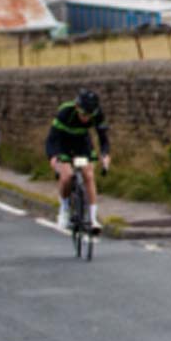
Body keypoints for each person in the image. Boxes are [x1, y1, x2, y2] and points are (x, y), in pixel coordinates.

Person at [47, 88, 112, 233]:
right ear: (77, 107)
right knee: (67, 176)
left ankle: (93, 219)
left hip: (82, 145)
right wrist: (53, 157)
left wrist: (105, 154)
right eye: (83, 114)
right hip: (63, 145)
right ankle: (64, 208)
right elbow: (52, 139)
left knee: (88, 175)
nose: (86, 118)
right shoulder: (65, 112)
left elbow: (103, 138)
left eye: (90, 115)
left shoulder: (97, 114)